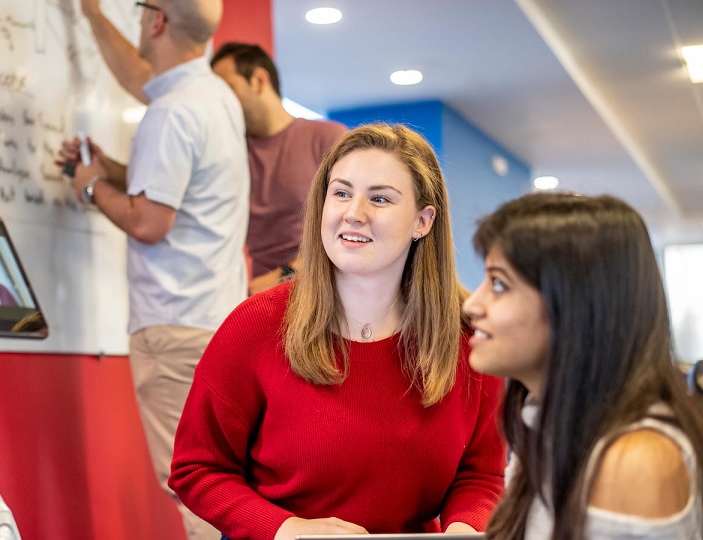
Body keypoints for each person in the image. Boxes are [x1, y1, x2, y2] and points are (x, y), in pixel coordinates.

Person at [168, 123, 507, 540]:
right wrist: (286, 529)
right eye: (341, 193)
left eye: (379, 198)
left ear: (423, 220)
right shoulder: (255, 325)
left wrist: (466, 527)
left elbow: (481, 475)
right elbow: (196, 468)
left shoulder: (467, 339)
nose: (354, 213)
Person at [56, 1, 249, 538]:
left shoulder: (173, 112)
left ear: (155, 20)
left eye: (140, 9)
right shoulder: (215, 98)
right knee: (229, 486)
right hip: (214, 322)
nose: (138, 18)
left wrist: (92, 187)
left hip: (173, 329)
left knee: (198, 491)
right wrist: (108, 169)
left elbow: (149, 221)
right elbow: (172, 190)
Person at [463, 192, 703, 539]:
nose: (472, 305)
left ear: (575, 304)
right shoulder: (546, 428)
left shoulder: (633, 459)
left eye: (498, 284)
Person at [210, 42, 347, 295]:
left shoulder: (327, 138)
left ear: (259, 80)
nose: (221, 104)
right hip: (260, 302)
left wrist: (281, 277)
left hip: (322, 293)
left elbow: (349, 234)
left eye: (228, 90)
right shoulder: (229, 152)